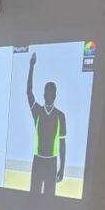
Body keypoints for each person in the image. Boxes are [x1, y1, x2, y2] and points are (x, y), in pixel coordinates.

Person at [26, 52, 67, 195]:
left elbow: (62, 144)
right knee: (34, 197)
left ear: (55, 96)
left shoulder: (60, 116)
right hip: (38, 161)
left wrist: (62, 167)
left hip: (52, 163)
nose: (49, 95)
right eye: (47, 93)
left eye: (52, 93)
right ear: (43, 95)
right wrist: (31, 66)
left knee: (50, 199)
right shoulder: (37, 111)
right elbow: (29, 92)